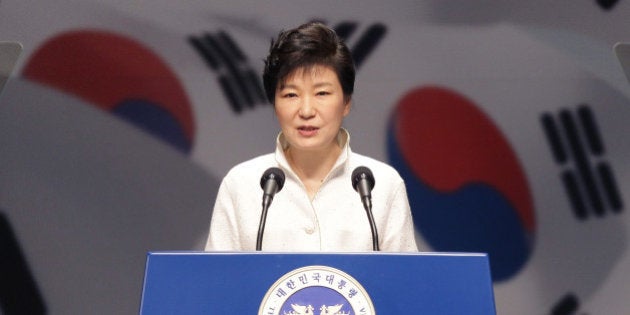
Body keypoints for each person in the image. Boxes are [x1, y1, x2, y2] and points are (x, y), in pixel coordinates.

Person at [205, 21, 417, 252]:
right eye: (291, 94)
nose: (306, 111)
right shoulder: (241, 184)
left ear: (346, 102)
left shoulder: (382, 185)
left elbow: (406, 283)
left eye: (322, 93)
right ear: (274, 104)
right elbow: (216, 281)